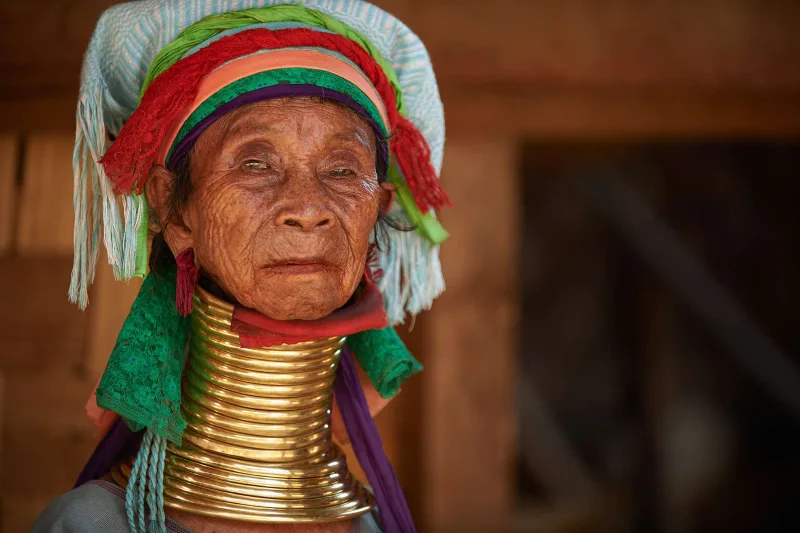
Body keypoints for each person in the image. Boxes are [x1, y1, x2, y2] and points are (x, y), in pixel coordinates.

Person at [31, 1, 450, 532]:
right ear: (174, 207)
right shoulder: (92, 526)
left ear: (379, 208)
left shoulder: (370, 526)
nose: (307, 208)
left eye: (343, 169)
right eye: (255, 163)